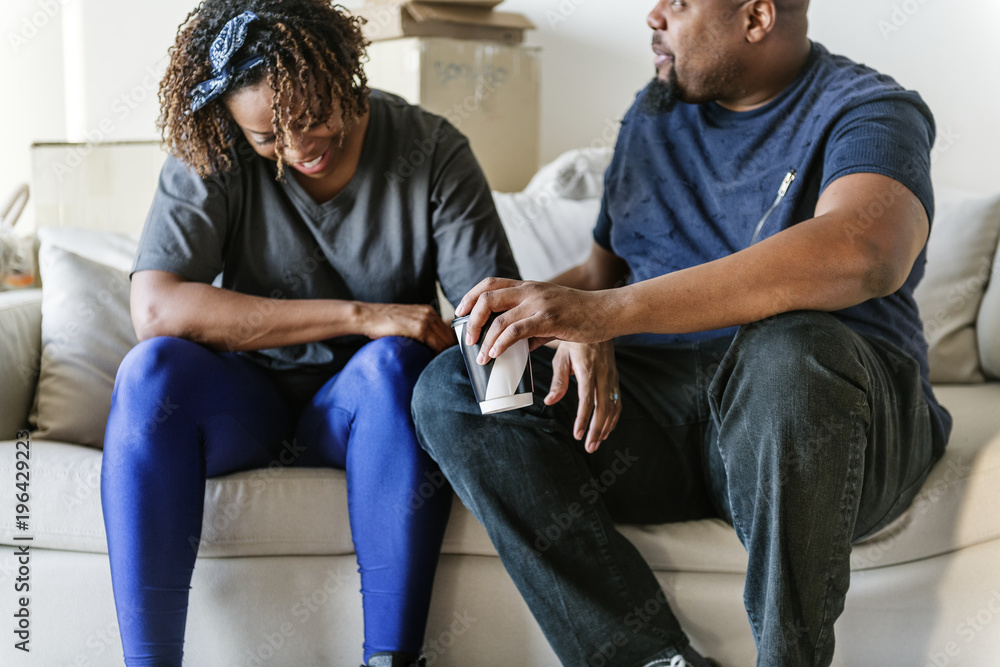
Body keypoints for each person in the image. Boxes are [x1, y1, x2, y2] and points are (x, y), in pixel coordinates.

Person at [411, 1, 951, 666]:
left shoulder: (870, 109)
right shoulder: (654, 112)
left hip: (828, 421)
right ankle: (651, 659)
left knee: (789, 352)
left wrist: (607, 312)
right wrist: (559, 317)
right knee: (456, 387)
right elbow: (599, 276)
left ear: (756, 17)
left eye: (679, 2)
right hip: (666, 419)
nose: (652, 16)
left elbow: (865, 249)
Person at [99, 2, 518, 666]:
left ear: (344, 74)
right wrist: (361, 313)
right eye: (269, 137)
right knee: (151, 371)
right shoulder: (217, 141)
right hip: (246, 404)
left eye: (313, 117)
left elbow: (494, 320)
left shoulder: (430, 149)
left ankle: (390, 659)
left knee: (393, 364)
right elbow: (156, 308)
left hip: (366, 414)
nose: (298, 149)